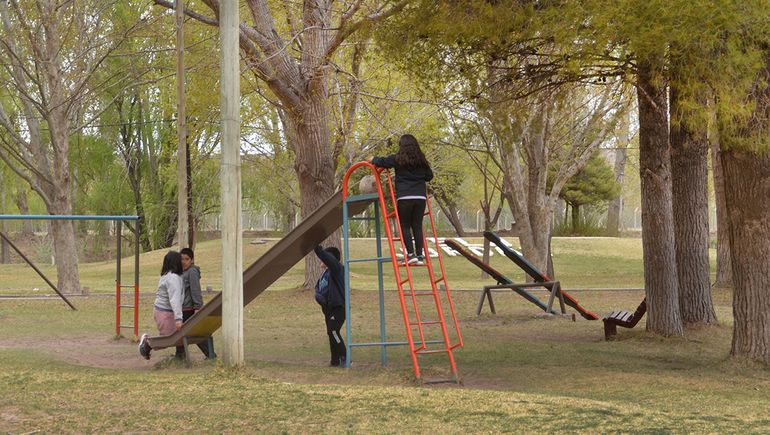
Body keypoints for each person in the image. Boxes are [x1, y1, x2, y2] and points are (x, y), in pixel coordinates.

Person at [372, 134, 433, 265]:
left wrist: (373, 159)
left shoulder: (397, 159)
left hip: (405, 196)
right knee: (417, 225)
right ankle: (420, 255)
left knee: (404, 225)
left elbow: (382, 162)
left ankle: (411, 255)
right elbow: (429, 176)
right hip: (420, 197)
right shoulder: (421, 160)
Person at [139, 251, 184, 360]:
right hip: (165, 312)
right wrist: (178, 318)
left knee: (175, 338)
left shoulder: (166, 276)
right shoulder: (173, 278)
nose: (182, 262)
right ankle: (147, 342)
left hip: (162, 311)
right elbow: (175, 299)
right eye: (181, 260)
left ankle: (180, 357)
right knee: (168, 340)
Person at [175, 247, 216, 359]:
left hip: (190, 309)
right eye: (182, 259)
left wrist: (197, 307)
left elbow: (195, 290)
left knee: (194, 333)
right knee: (182, 333)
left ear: (192, 260)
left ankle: (211, 355)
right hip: (183, 308)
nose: (183, 261)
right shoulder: (183, 272)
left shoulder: (192, 272)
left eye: (186, 259)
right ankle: (180, 356)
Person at [313, 244, 346, 367]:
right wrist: (319, 297)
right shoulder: (324, 274)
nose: (321, 261)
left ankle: (345, 355)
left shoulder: (337, 270)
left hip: (338, 308)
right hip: (328, 309)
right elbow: (319, 288)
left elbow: (330, 260)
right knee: (330, 332)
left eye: (324, 258)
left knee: (333, 331)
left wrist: (317, 249)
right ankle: (335, 360)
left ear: (329, 259)